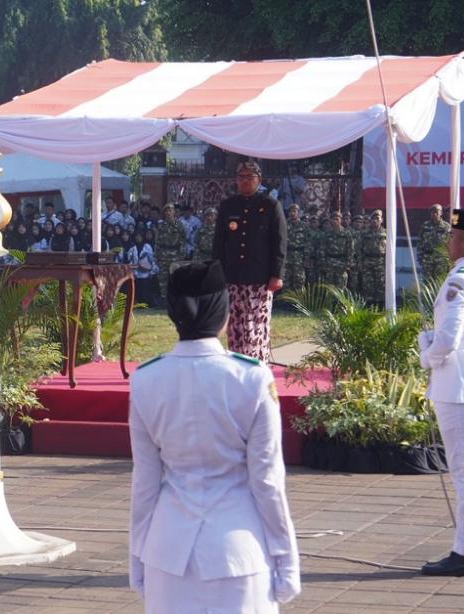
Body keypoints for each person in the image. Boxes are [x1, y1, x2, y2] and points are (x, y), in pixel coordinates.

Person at [129, 260, 300, 612]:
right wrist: (286, 560)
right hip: (238, 548)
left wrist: (138, 556)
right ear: (223, 312)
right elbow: (267, 482)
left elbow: (144, 484)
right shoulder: (251, 378)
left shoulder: (146, 379)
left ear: (173, 314)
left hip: (168, 551)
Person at [419, 209, 464, 576]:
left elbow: (449, 339)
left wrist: (428, 353)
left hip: (457, 387)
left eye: (452, 235)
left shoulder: (461, 279)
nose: (447, 241)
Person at [212, 161, 287, 362]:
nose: (245, 180)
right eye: (241, 176)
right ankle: (237, 363)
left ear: (259, 180)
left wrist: (276, 274)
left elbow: (279, 242)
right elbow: (219, 243)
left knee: (255, 324)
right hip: (233, 276)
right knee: (236, 324)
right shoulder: (228, 206)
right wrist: (217, 274)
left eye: (249, 176)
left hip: (260, 278)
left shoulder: (270, 206)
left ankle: (257, 366)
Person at [155, 203, 186, 303]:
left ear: (174, 212)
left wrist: (181, 255)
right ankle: (164, 299)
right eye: (166, 211)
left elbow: (183, 240)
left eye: (170, 210)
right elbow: (157, 242)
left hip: (175, 254)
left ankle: (176, 299)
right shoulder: (161, 226)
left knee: (176, 277)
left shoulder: (179, 225)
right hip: (163, 254)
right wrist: (157, 255)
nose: (168, 213)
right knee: (163, 278)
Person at [317, 211, 351, 289]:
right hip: (329, 262)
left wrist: (348, 263)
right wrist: (323, 262)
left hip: (341, 262)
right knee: (329, 286)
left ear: (341, 220)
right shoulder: (326, 233)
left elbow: (350, 249)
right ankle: (330, 301)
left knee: (341, 286)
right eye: (333, 219)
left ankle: (339, 301)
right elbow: (322, 249)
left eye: (337, 219)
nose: (335, 221)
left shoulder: (346, 233)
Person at [360, 210, 387, 306]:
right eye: (373, 219)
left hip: (380, 262)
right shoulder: (365, 233)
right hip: (367, 261)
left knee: (381, 285)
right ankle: (369, 306)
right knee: (368, 286)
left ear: (381, 220)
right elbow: (359, 249)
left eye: (377, 219)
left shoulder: (386, 233)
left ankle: (380, 307)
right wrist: (361, 263)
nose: (375, 221)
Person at [419, 203, 451, 281]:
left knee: (440, 282)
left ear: (441, 213)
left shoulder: (446, 227)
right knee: (427, 282)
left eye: (437, 211)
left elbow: (449, 243)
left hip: (441, 260)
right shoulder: (425, 226)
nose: (434, 214)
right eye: (432, 212)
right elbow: (420, 242)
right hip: (427, 259)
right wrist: (420, 258)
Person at [283, 204, 307, 292]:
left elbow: (308, 243)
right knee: (286, 279)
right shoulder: (284, 224)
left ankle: (298, 303)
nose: (292, 213)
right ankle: (286, 302)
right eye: (290, 211)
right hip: (287, 255)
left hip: (299, 257)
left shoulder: (304, 226)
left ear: (298, 213)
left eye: (294, 211)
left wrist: (306, 258)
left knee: (299, 280)